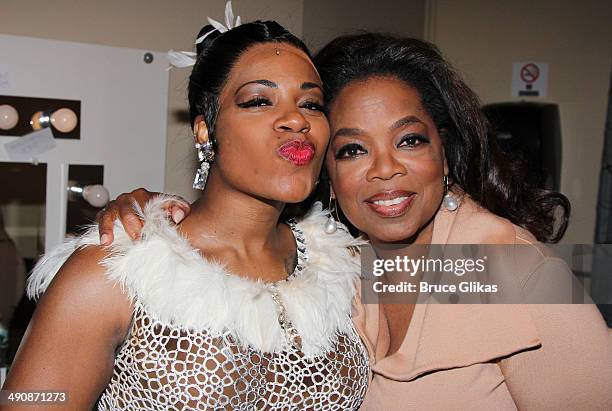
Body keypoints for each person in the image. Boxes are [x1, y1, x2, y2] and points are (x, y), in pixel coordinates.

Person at [98, 34, 612, 409]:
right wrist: (152, 215)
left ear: (446, 153)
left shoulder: (519, 276)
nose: (385, 168)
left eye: (409, 139)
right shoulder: (336, 266)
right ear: (326, 172)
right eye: (352, 149)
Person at [2, 16, 370, 410]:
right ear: (204, 131)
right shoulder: (115, 267)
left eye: (311, 104)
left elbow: (441, 297)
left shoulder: (345, 266)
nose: (297, 119)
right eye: (259, 100)